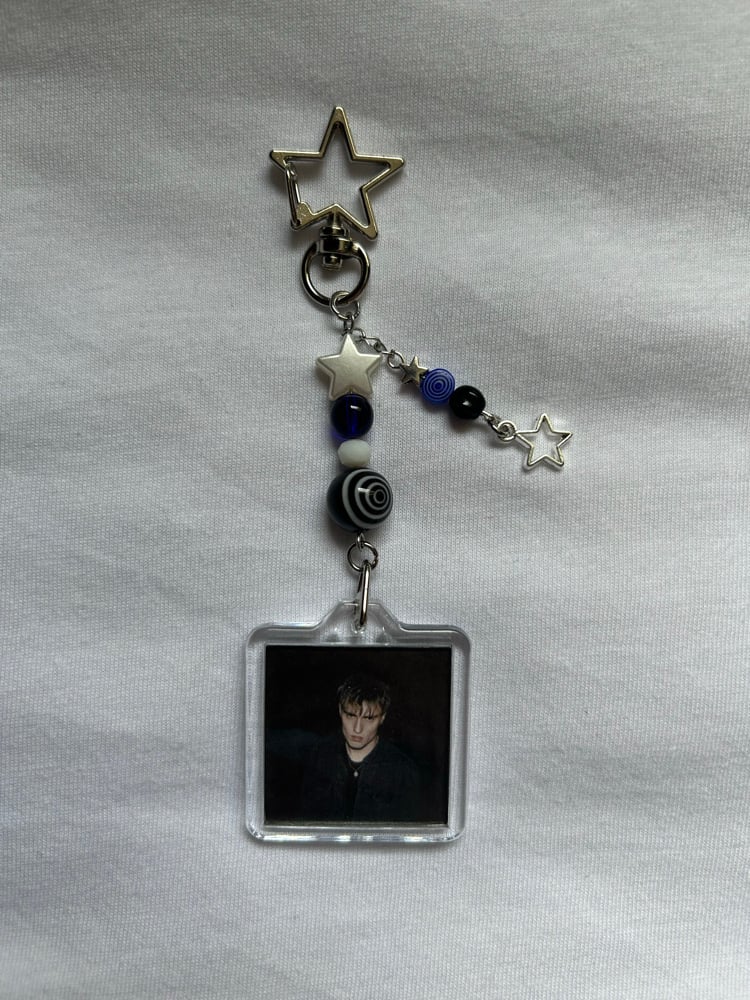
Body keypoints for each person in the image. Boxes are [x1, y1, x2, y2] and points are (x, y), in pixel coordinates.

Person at [299, 673, 420, 823]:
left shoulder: (402, 771)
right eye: (350, 715)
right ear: (340, 711)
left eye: (369, 718)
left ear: (382, 718)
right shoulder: (319, 757)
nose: (357, 729)